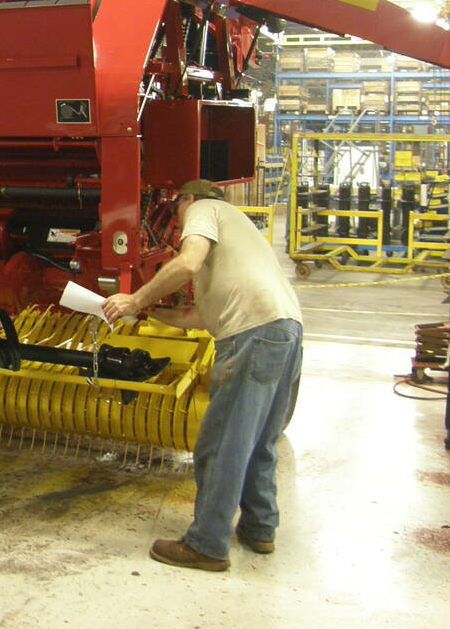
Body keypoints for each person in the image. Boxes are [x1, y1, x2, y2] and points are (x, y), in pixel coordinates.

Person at [103, 178, 302, 572]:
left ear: (188, 200)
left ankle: (207, 545)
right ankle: (259, 528)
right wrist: (144, 312)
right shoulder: (240, 233)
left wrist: (135, 297)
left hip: (252, 334)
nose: (178, 223)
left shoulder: (203, 209)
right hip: (285, 331)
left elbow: (188, 262)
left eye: (177, 210)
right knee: (260, 440)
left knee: (220, 443)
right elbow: (197, 317)